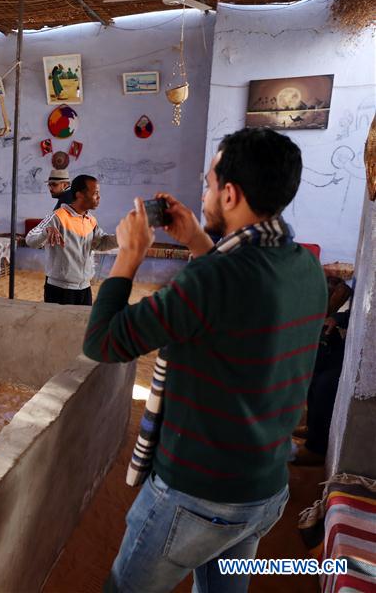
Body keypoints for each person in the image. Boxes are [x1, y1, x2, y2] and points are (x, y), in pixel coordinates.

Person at [83, 127, 327, 593]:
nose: (205, 194)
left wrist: (129, 257)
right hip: (263, 491)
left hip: (195, 497)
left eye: (209, 185)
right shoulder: (303, 265)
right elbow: (236, 308)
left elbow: (103, 342)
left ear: (231, 194)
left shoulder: (212, 281)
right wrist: (198, 240)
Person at [26, 174, 117, 305]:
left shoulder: (90, 220)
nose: (99, 197)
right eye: (95, 193)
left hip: (85, 288)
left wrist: (123, 237)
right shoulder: (57, 216)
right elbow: (30, 239)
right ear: (80, 195)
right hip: (60, 289)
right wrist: (46, 232)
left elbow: (101, 242)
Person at [292, 276, 353, 465]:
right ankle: (313, 428)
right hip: (356, 340)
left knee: (326, 383)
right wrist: (337, 318)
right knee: (317, 364)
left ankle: (317, 449)